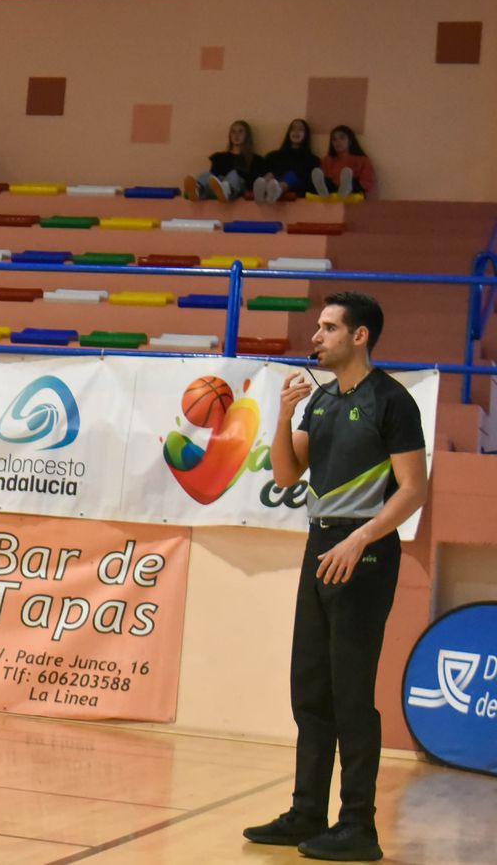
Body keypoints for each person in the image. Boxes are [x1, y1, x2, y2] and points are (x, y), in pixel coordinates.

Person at [243, 292, 427, 862]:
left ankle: (358, 827)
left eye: (328, 327)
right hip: (321, 543)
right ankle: (306, 812)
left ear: (360, 336)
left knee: (351, 695)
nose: (315, 336)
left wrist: (361, 537)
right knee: (311, 688)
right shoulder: (320, 401)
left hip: (364, 552)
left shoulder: (392, 401)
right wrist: (282, 413)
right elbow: (284, 471)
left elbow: (414, 489)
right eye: (317, 326)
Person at [185, 120, 260, 202]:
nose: (236, 135)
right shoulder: (219, 157)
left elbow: (253, 182)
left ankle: (227, 191)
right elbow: (213, 178)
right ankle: (196, 191)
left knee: (233, 174)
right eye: (233, 132)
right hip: (218, 189)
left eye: (240, 131)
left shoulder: (255, 159)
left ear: (247, 135)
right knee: (206, 174)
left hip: (237, 189)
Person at [254, 118, 321, 205]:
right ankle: (261, 192)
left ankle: (276, 192)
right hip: (273, 182)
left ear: (306, 134)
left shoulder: (311, 159)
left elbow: (307, 181)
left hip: (292, 187)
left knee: (291, 176)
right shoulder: (273, 156)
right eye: (293, 129)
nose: (296, 132)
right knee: (269, 175)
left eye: (300, 129)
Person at [312, 126, 376, 200]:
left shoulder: (363, 160)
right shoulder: (327, 160)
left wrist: (350, 183)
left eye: (342, 138)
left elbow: (367, 182)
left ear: (350, 141)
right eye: (334, 139)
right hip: (332, 191)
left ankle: (347, 187)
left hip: (354, 192)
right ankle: (323, 191)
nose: (338, 142)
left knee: (350, 177)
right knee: (324, 180)